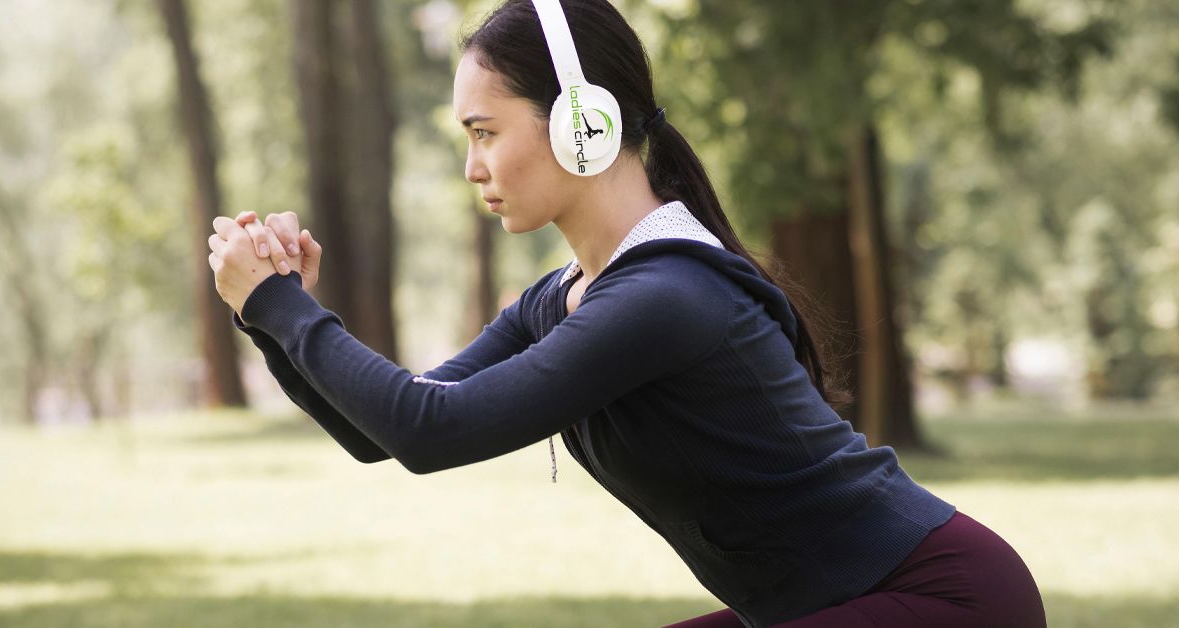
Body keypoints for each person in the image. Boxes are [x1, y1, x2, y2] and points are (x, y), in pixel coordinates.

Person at [205, 1, 1046, 626]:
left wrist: (277, 304)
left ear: (582, 123)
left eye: (485, 132)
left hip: (946, 599)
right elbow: (381, 432)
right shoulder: (565, 294)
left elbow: (430, 431)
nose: (473, 167)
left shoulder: (666, 296)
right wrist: (271, 317)